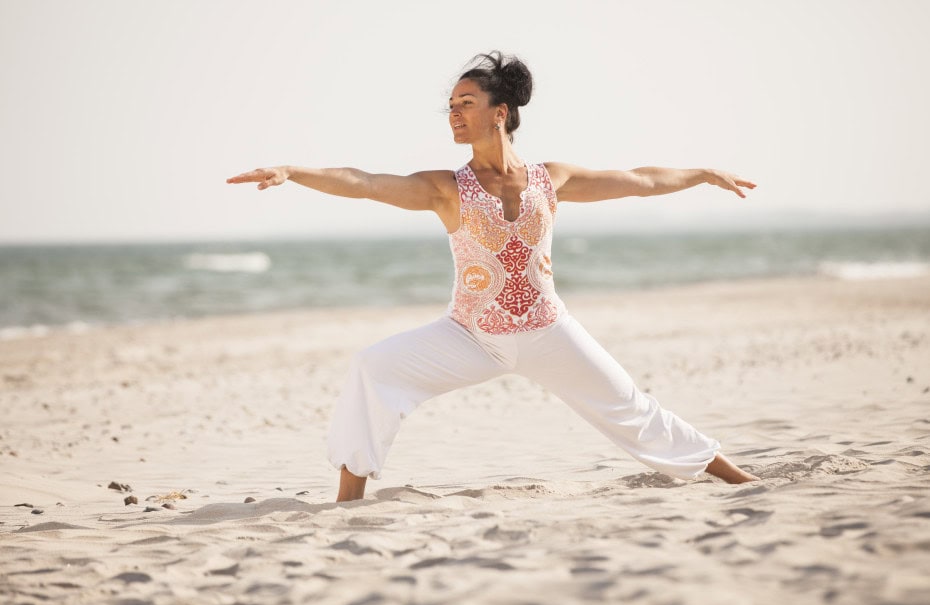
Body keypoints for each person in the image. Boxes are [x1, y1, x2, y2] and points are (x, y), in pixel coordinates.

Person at [227, 51, 760, 502]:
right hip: (470, 335)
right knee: (374, 368)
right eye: (451, 107)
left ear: (499, 113)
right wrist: (293, 172)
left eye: (466, 104)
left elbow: (640, 180)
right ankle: (346, 504)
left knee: (630, 410)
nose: (454, 114)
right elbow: (365, 182)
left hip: (548, 331)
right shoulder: (446, 188)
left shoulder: (552, 179)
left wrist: (703, 174)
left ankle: (739, 480)